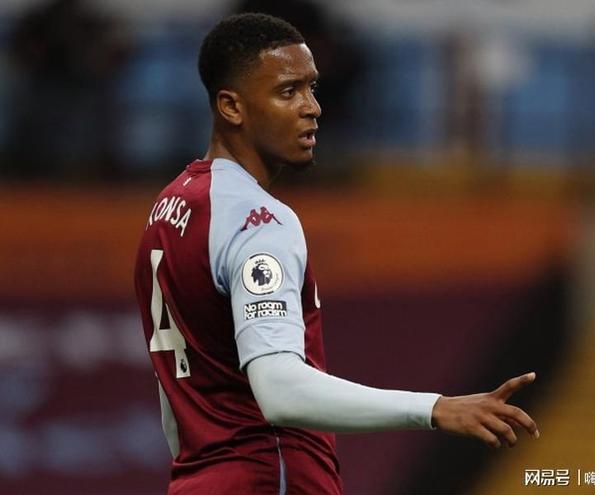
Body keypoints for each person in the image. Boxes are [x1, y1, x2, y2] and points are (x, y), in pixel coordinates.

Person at [134, 13, 540, 495]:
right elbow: (280, 391)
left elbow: (173, 401)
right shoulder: (258, 221)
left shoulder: (167, 212)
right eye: (288, 92)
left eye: (312, 88)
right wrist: (435, 408)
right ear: (231, 107)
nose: (312, 108)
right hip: (268, 477)